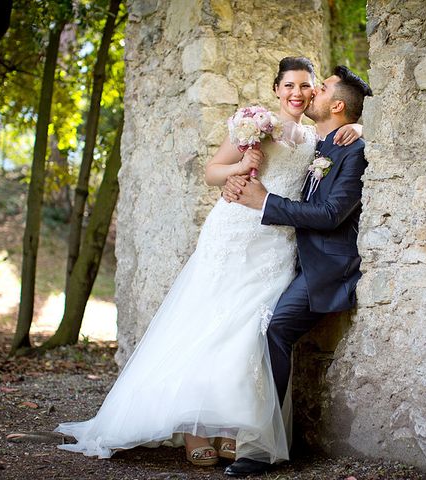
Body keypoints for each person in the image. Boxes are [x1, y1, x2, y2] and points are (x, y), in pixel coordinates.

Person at [54, 57, 362, 468]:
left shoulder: (318, 138)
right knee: (207, 324)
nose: (299, 93)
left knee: (246, 335)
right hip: (234, 234)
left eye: (308, 86)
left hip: (276, 245)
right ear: (276, 89)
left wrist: (359, 125)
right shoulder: (255, 122)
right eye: (290, 85)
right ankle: (193, 428)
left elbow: (349, 140)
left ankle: (230, 428)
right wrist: (239, 169)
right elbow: (212, 171)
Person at [222, 65, 372, 477]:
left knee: (275, 329)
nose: (310, 93)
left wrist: (264, 202)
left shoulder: (352, 151)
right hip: (288, 259)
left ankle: (259, 447)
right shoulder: (319, 145)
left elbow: (329, 213)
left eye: (319, 88)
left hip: (325, 269)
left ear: (337, 105)